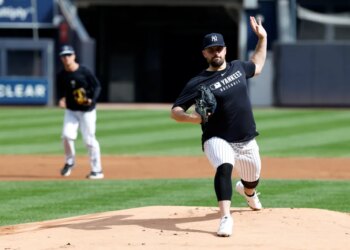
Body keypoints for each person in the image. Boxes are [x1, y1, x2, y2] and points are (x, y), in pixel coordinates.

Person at [170, 16, 267, 237]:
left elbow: (258, 64)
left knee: (252, 180)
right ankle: (225, 217)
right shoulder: (197, 82)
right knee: (224, 166)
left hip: (246, 138)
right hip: (216, 137)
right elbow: (175, 111)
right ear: (204, 53)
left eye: (219, 48)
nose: (216, 53)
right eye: (211, 49)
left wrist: (263, 38)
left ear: (225, 49)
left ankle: (248, 191)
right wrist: (191, 118)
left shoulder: (238, 67)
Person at [57, 45, 104, 179]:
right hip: (71, 110)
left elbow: (97, 86)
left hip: (87, 111)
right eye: (63, 56)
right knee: (66, 136)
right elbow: (61, 91)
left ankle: (97, 170)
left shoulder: (84, 71)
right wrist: (61, 99)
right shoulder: (61, 75)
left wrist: (91, 100)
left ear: (74, 56)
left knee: (89, 140)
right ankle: (70, 162)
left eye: (68, 55)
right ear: (61, 58)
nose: (66, 58)